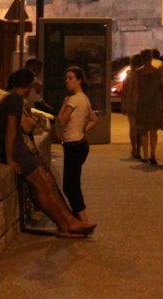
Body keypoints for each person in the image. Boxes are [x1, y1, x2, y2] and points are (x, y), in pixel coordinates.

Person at [0, 68, 93, 237]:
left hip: (21, 148)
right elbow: (11, 130)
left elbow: (22, 127)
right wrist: (10, 158)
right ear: (28, 86)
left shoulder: (14, 99)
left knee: (49, 183)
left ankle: (70, 222)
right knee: (42, 186)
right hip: (17, 150)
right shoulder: (14, 100)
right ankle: (64, 225)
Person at [55, 65, 98, 225]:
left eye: (71, 78)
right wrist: (81, 130)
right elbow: (94, 119)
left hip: (72, 145)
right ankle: (78, 219)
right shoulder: (84, 98)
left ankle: (83, 220)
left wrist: (64, 104)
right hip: (80, 144)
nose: (67, 81)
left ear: (79, 80)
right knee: (72, 183)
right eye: (66, 78)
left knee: (70, 186)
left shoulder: (72, 100)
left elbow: (61, 121)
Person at [130, 50, 163, 165]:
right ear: (151, 58)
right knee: (153, 130)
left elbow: (136, 90)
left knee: (143, 130)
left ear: (142, 58)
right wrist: (162, 102)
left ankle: (145, 155)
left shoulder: (138, 73)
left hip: (143, 103)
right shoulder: (158, 72)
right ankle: (153, 154)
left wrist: (134, 105)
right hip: (155, 103)